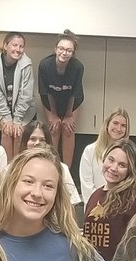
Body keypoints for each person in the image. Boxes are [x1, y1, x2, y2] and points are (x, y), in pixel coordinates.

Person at [83, 139, 136, 261]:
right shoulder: (95, 195)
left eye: (122, 165)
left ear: (131, 170)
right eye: (111, 160)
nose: (113, 168)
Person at [37, 29, 84, 167]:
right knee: (54, 127)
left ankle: (66, 171)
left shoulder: (77, 67)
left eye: (69, 50)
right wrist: (53, 115)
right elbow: (46, 93)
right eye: (61, 49)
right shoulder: (45, 65)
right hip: (51, 100)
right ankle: (52, 165)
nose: (64, 53)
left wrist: (69, 116)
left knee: (68, 128)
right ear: (55, 49)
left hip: (72, 101)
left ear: (73, 53)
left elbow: (75, 94)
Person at [0, 32, 35, 160]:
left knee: (18, 133)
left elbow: (26, 94)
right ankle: (7, 169)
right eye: (14, 45)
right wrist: (7, 118)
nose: (18, 49)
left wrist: (17, 119)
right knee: (7, 132)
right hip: (4, 109)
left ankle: (17, 167)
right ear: (5, 46)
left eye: (21, 46)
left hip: (24, 111)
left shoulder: (26, 64)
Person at [19, 121, 82, 214]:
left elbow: (71, 204)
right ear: (25, 142)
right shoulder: (12, 168)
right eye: (32, 139)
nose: (37, 143)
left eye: (42, 140)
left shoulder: (62, 168)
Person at [78, 108, 129, 199]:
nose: (118, 128)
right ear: (107, 124)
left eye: (123, 125)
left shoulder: (129, 154)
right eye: (115, 123)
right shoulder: (90, 151)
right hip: (95, 207)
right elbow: (87, 185)